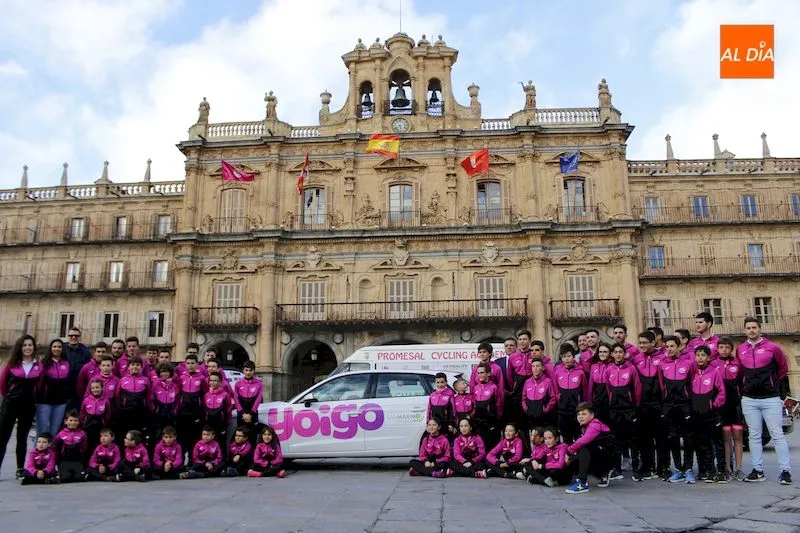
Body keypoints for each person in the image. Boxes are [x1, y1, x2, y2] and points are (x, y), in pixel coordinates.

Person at [737, 317, 792, 484]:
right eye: (748, 328)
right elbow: (739, 372)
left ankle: (785, 471)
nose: (751, 330)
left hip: (770, 398)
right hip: (749, 399)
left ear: (760, 329)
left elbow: (783, 369)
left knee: (777, 434)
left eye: (754, 327)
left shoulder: (773, 348)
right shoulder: (740, 349)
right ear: (745, 330)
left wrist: (772, 384)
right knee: (754, 436)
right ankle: (757, 470)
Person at [0, 335, 42, 479]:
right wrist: (10, 396)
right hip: (10, 404)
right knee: (3, 438)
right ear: (20, 347)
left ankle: (19, 469)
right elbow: (2, 385)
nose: (27, 348)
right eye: (24, 345)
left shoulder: (38, 365)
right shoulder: (10, 364)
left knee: (22, 437)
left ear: (34, 347)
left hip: (28, 405)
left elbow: (39, 385)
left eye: (30, 345)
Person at [659, 335, 695, 483]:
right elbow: (662, 385)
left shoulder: (688, 363)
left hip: (684, 405)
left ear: (679, 347)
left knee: (687, 437)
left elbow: (693, 383)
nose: (669, 349)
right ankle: (678, 469)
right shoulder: (662, 364)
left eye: (672, 346)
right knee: (673, 437)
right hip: (669, 406)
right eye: (667, 347)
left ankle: (688, 469)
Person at [634, 330, 668, 480]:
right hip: (643, 404)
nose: (641, 345)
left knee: (661, 437)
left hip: (658, 403)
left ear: (653, 343)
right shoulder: (636, 359)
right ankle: (647, 466)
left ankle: (663, 467)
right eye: (640, 342)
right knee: (644, 438)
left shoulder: (662, 358)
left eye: (644, 343)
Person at [690, 345, 726, 483]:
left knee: (718, 442)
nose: (700, 358)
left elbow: (721, 392)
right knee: (704, 443)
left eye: (703, 355)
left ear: (709, 357)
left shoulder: (714, 372)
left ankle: (721, 471)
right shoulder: (692, 373)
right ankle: (710, 470)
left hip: (712, 414)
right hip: (698, 414)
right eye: (698, 355)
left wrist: (713, 405)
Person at [713, 336, 745, 481]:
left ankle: (738, 469)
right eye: (721, 347)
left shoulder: (738, 364)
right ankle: (727, 468)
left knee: (737, 438)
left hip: (735, 405)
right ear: (717, 348)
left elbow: (743, 384)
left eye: (727, 347)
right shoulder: (713, 364)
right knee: (725, 438)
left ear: (731, 349)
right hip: (721, 407)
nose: (724, 350)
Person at [564, 402, 616, 493]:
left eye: (584, 414)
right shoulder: (585, 426)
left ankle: (582, 482)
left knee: (583, 447)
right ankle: (601, 474)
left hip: (608, 458)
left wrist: (568, 452)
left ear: (592, 415)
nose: (580, 416)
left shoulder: (595, 424)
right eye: (578, 414)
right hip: (599, 456)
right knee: (575, 457)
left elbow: (583, 441)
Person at [606, 343, 641, 477]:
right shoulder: (609, 369)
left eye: (621, 352)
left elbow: (637, 390)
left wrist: (635, 407)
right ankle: (617, 469)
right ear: (612, 354)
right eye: (616, 352)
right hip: (615, 409)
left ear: (625, 354)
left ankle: (636, 470)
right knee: (616, 440)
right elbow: (608, 388)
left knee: (633, 440)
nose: (618, 354)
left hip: (629, 409)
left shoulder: (631, 369)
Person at [37, 339, 71, 437]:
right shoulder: (43, 363)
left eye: (59, 347)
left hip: (60, 402)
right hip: (45, 401)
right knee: (42, 432)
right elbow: (39, 382)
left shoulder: (66, 363)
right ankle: (37, 452)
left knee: (54, 431)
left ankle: (51, 452)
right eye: (54, 347)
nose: (57, 349)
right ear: (50, 348)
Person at [554, 344, 588, 443]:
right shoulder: (558, 373)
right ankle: (567, 457)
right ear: (561, 358)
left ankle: (578, 457)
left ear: (573, 356)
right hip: (563, 411)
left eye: (569, 356)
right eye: (564, 357)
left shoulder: (580, 373)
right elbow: (556, 392)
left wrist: (583, 407)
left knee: (578, 436)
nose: (567, 359)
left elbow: (584, 391)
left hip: (576, 411)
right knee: (566, 437)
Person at [115, 355, 151, 446]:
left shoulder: (145, 380)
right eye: (133, 364)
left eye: (137, 365)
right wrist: (121, 408)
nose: (135, 367)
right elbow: (118, 396)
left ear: (141, 367)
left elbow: (149, 396)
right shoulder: (122, 380)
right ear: (128, 367)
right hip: (126, 412)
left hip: (140, 412)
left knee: (139, 434)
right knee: (125, 434)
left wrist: (148, 409)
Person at [177, 353, 208, 461]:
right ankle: (181, 460)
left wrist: (202, 409)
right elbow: (179, 394)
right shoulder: (181, 378)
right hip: (184, 411)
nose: (190, 365)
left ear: (197, 364)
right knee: (183, 436)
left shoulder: (201, 378)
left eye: (192, 363)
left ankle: (192, 459)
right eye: (188, 363)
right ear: (185, 364)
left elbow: (205, 394)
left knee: (194, 436)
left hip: (196, 411)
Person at [506, 331, 535, 433]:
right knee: (520, 421)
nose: (522, 342)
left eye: (525, 339)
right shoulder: (513, 357)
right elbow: (510, 376)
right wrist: (514, 387)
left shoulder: (534, 354)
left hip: (532, 388)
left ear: (529, 341)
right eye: (520, 339)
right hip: (518, 389)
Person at [472, 363, 504, 450]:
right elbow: (474, 405)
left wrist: (497, 421)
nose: (479, 375)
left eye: (482, 373)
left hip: (491, 422)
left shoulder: (494, 387)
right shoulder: (476, 388)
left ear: (488, 373)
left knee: (492, 445)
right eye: (478, 373)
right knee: (481, 445)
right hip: (479, 422)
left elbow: (498, 405)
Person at [150, 362, 180, 451]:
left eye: (166, 371)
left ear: (170, 373)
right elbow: (151, 399)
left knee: (171, 436)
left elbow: (178, 400)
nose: (164, 374)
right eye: (162, 371)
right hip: (159, 415)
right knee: (158, 436)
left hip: (171, 415)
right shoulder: (155, 385)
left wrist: (175, 411)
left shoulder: (174, 386)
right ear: (159, 373)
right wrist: (155, 410)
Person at [53, 410, 88, 483]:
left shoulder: (82, 434)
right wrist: (57, 461)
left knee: (80, 478)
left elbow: (84, 448)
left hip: (77, 460)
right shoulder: (60, 434)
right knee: (65, 479)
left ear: (79, 422)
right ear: (66, 421)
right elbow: (56, 448)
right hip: (64, 461)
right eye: (71, 420)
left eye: (75, 420)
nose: (73, 423)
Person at [521, 358, 556, 431]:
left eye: (537, 366)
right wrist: (525, 408)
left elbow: (553, 398)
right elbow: (523, 398)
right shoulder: (527, 382)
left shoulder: (548, 381)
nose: (535, 368)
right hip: (530, 416)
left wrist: (545, 410)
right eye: (533, 366)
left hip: (543, 417)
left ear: (543, 368)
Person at [63, 327, 92, 412]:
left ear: (79, 337)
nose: (74, 337)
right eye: (71, 335)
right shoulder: (62, 350)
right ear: (68, 336)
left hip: (80, 390)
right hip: (64, 390)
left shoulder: (86, 352)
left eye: (76, 335)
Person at [204, 371, 232, 453]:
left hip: (221, 423)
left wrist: (226, 422)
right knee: (209, 443)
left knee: (221, 442)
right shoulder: (206, 395)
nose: (212, 382)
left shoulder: (225, 395)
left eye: (215, 380)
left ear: (220, 382)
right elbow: (204, 409)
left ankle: (222, 462)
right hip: (209, 423)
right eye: (211, 380)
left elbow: (228, 409)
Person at [234, 361, 263, 442]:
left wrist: (251, 414)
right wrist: (242, 413)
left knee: (252, 436)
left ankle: (252, 454)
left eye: (250, 370)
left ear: (254, 371)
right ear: (243, 370)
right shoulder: (238, 384)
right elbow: (236, 398)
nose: (248, 372)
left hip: (252, 413)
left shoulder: (259, 384)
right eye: (246, 370)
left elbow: (258, 399)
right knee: (240, 436)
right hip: (241, 413)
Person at [81, 379, 111, 451]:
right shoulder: (86, 400)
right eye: (93, 388)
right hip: (88, 424)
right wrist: (83, 422)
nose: (95, 390)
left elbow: (108, 413)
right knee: (88, 442)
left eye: (97, 387)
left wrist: (105, 422)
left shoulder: (105, 401)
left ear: (102, 388)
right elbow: (82, 412)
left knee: (98, 442)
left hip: (100, 424)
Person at [587, 343, 612, 423]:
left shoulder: (613, 366)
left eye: (605, 352)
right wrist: (590, 403)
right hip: (597, 402)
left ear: (610, 353)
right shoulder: (594, 366)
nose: (602, 354)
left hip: (609, 402)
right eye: (600, 352)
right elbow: (591, 387)